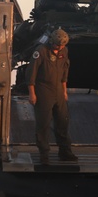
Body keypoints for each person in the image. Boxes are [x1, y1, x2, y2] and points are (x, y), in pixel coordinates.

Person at [27, 28, 78, 167]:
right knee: (43, 124)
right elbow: (31, 73)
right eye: (57, 45)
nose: (60, 48)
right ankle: (44, 154)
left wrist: (64, 91)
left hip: (58, 92)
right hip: (44, 91)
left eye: (62, 46)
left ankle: (65, 152)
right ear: (52, 42)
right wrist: (32, 93)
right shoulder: (41, 51)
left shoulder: (64, 52)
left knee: (62, 121)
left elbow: (64, 72)